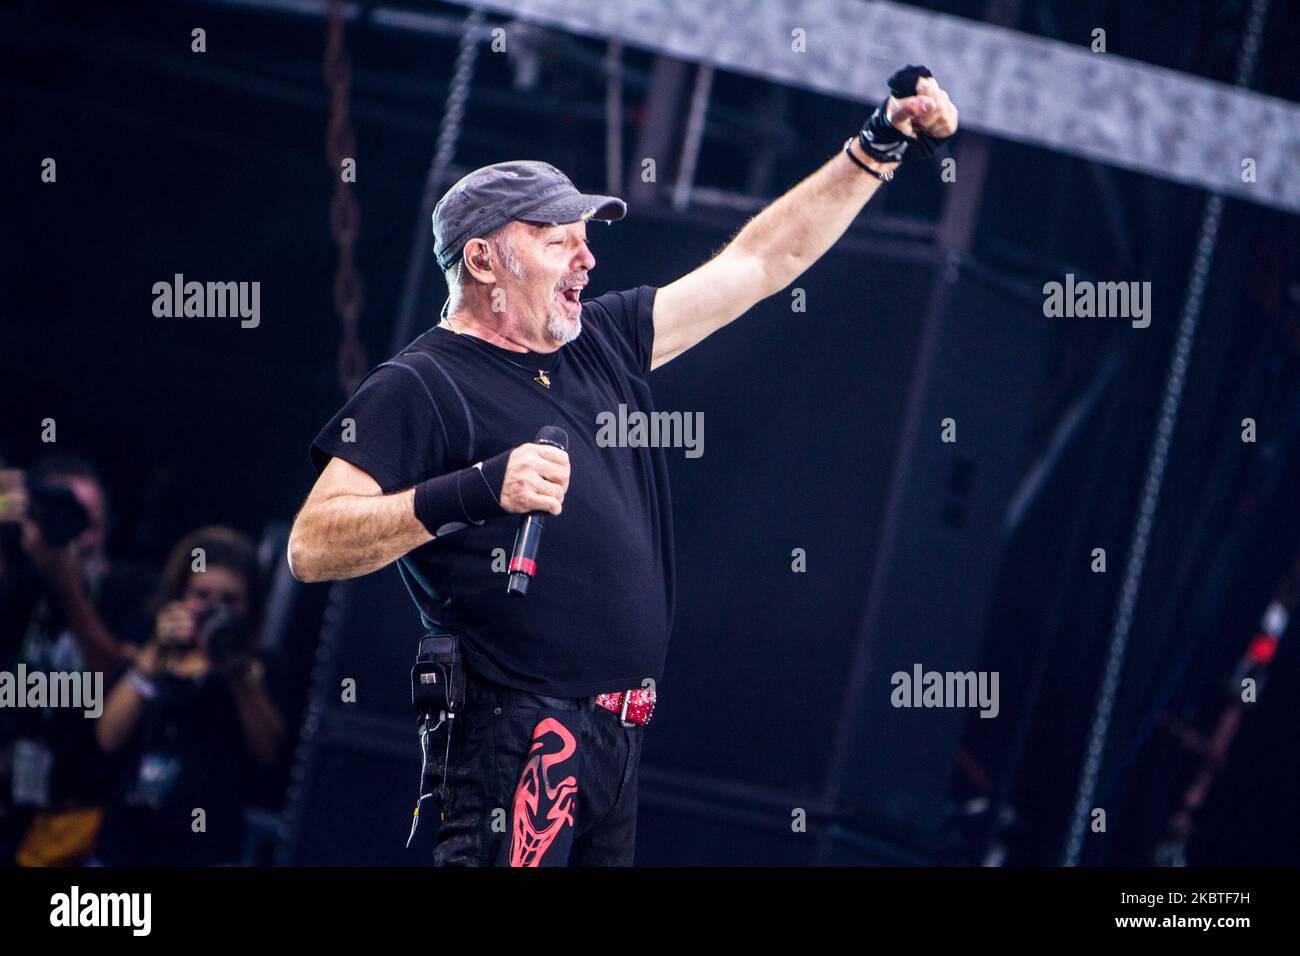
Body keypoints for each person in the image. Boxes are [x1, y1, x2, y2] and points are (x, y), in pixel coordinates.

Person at [288, 67, 958, 865]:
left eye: (585, 238)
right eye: (556, 239)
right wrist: (472, 490)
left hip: (619, 734)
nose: (585, 260)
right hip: (518, 732)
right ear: (482, 260)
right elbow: (313, 544)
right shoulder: (420, 383)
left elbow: (761, 263)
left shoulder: (601, 342)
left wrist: (877, 144)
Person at [92, 526, 286, 866]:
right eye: (202, 596)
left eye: (230, 600)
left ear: (251, 604)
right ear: (179, 595)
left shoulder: (259, 669)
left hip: (206, 852)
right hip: (124, 846)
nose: (215, 609)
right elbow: (108, 737)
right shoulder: (155, 655)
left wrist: (238, 673)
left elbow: (268, 750)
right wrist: (155, 652)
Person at [0, 455, 154, 866]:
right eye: (65, 516)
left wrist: (65, 582)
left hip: (87, 819)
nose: (83, 536)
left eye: (92, 521)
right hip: (17, 802)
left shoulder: (131, 587)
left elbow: (114, 680)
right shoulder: (21, 584)